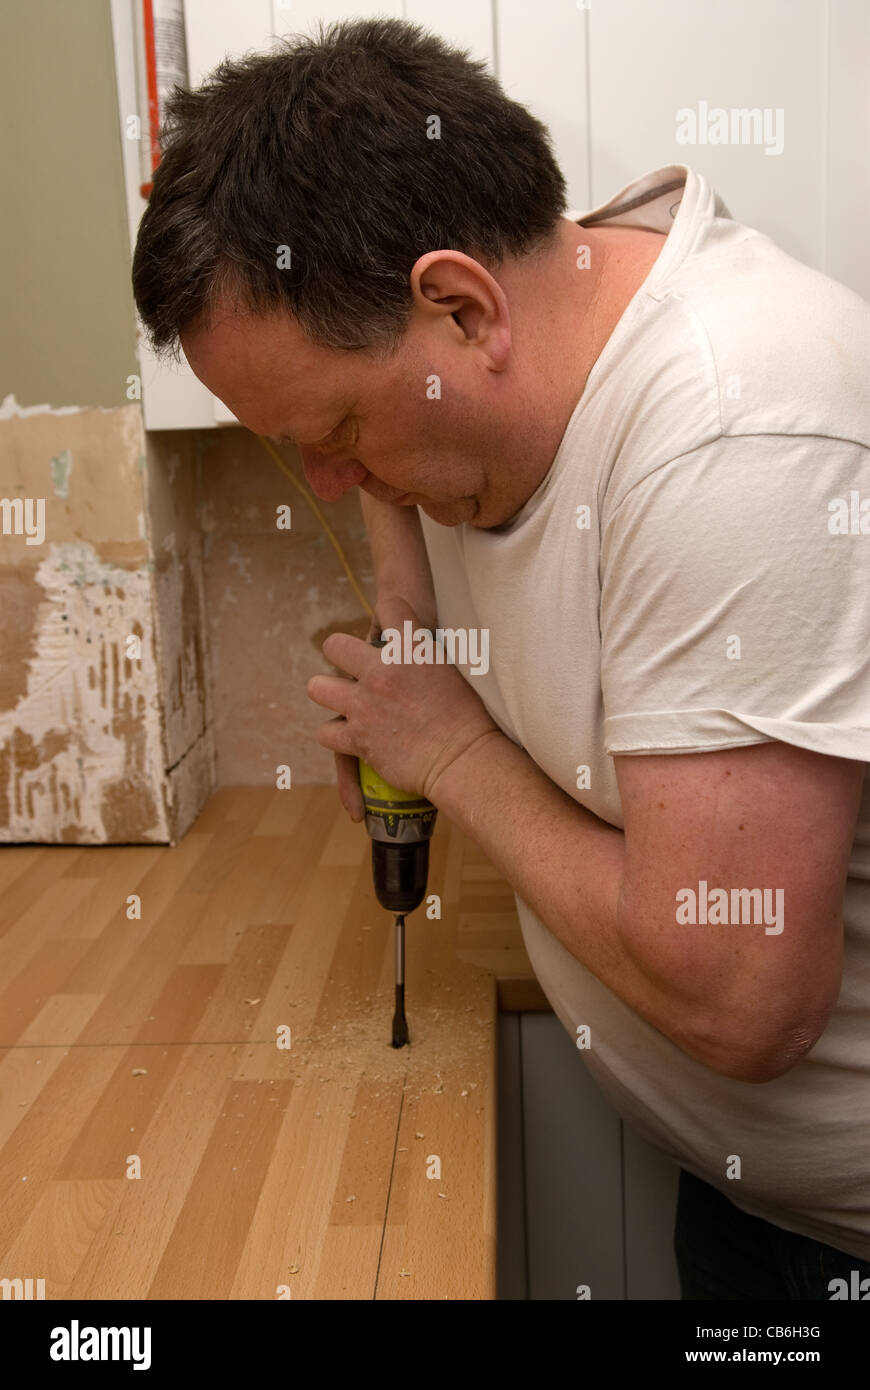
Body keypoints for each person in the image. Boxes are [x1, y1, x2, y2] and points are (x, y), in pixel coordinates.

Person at [132, 17, 870, 1300]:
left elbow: (741, 995)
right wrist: (414, 611)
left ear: (463, 303)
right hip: (751, 1193)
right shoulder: (527, 328)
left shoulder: (731, 438)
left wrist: (452, 747)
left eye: (340, 429)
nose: (331, 479)